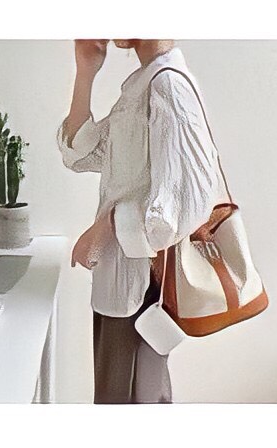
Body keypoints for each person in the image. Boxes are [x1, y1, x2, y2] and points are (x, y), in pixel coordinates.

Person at [56, 39, 230, 404]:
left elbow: (190, 202)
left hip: (140, 289)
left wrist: (105, 228)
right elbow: (81, 156)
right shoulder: (143, 85)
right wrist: (85, 72)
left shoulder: (169, 86)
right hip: (121, 285)